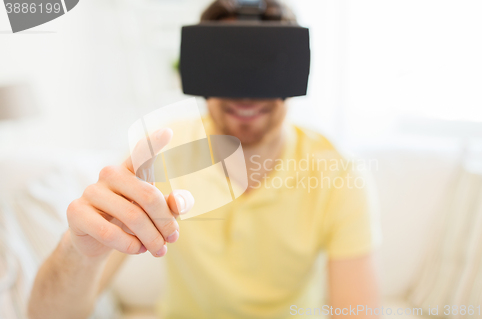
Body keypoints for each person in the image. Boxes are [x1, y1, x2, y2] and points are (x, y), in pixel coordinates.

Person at [28, 1, 381, 318]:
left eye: (262, 65)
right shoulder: (160, 152)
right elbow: (47, 317)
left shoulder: (336, 171)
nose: (245, 94)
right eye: (229, 66)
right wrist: (78, 250)